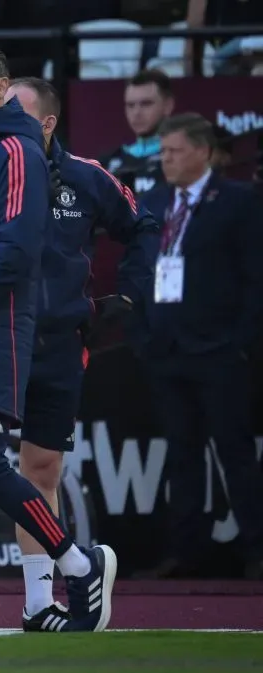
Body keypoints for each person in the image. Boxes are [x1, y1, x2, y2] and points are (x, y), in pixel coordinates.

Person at [0, 76, 159, 631]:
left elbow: (142, 224)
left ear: (45, 123)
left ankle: (40, 601)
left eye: (15, 111)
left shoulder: (86, 177)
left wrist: (130, 295)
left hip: (55, 341)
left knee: (40, 468)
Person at [137, 113, 263, 581]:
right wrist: (143, 333)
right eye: (162, 152)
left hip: (219, 349)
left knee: (235, 452)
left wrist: (241, 342)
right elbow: (141, 268)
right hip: (167, 349)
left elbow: (255, 278)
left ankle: (256, 550)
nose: (165, 160)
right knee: (180, 454)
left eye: (173, 151)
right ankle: (186, 553)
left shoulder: (238, 201)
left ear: (203, 151)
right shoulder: (153, 201)